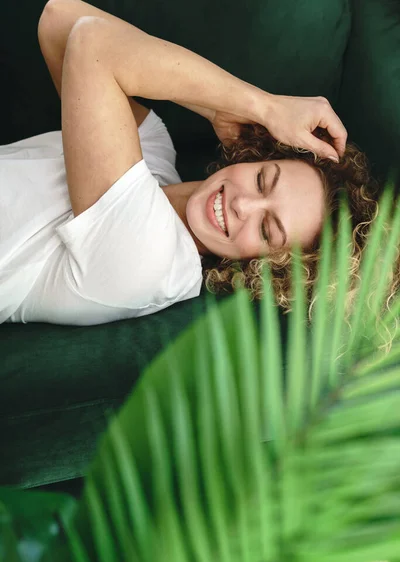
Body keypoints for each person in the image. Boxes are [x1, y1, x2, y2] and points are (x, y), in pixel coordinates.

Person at [0, 0, 377, 326]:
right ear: (254, 157)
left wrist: (262, 105)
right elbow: (58, 19)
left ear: (265, 266)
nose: (243, 204)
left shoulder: (152, 261)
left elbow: (92, 43)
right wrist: (217, 110)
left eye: (266, 230)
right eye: (262, 180)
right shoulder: (155, 154)